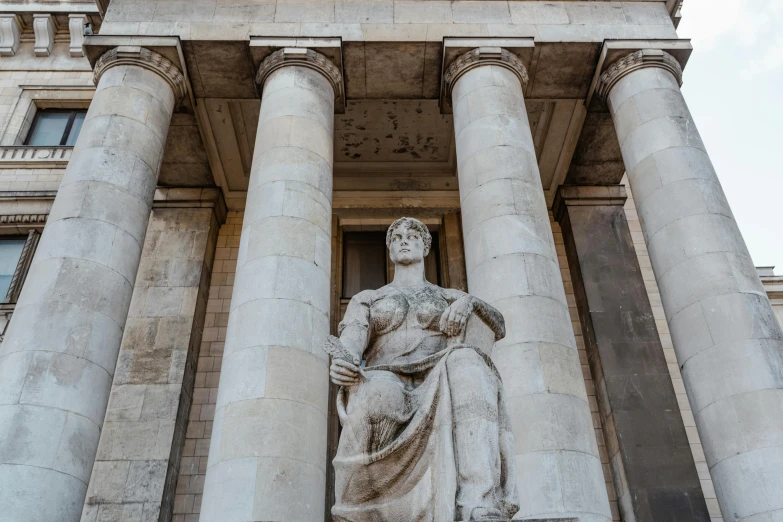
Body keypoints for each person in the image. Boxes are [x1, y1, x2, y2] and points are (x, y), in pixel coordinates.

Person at [325, 217, 519, 522]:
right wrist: (344, 363)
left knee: (468, 363)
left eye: (413, 236)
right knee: (378, 392)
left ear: (425, 247)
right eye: (397, 237)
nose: (404, 240)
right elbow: (352, 339)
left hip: (438, 374)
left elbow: (499, 325)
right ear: (389, 250)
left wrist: (469, 302)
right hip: (385, 374)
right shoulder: (369, 298)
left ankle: (478, 503)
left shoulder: (447, 295)